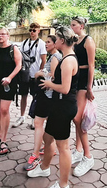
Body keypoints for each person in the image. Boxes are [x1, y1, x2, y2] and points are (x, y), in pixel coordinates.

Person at [27, 26, 78, 188]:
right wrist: (51, 81)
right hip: (58, 106)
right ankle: (44, 168)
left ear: (62, 41)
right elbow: (60, 82)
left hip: (64, 107)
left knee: (63, 147)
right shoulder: (65, 57)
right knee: (48, 139)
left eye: (56, 38)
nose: (54, 41)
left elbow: (65, 88)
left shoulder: (69, 59)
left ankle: (63, 184)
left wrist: (50, 83)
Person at [24, 35, 62, 171]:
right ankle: (47, 148)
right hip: (47, 96)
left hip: (48, 96)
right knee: (43, 124)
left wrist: (40, 74)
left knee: (39, 123)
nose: (46, 44)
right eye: (45, 42)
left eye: (49, 42)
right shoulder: (53, 56)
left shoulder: (55, 57)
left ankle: (35, 154)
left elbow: (54, 76)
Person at [70, 16, 96, 176]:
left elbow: (92, 64)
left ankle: (88, 156)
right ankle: (78, 150)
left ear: (81, 26)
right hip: (75, 78)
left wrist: (89, 87)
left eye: (73, 25)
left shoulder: (88, 41)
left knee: (77, 118)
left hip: (84, 79)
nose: (72, 27)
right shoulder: (74, 41)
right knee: (76, 118)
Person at [13, 22, 47, 128]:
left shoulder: (41, 44)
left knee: (34, 96)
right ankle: (22, 116)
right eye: (30, 30)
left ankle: (33, 117)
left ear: (38, 31)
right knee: (23, 95)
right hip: (25, 73)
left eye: (34, 30)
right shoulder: (24, 43)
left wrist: (40, 72)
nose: (32, 32)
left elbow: (43, 59)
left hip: (35, 74)